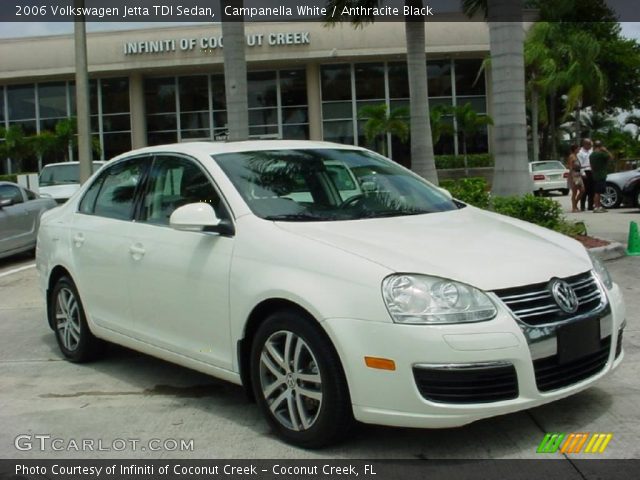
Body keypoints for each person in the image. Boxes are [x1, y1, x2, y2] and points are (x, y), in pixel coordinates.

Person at [589, 140, 612, 213]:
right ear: (600, 146)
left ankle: (599, 206)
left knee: (598, 191)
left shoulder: (591, 155)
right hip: (601, 174)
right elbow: (611, 157)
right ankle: (596, 207)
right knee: (598, 192)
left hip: (595, 174)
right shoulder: (601, 154)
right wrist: (606, 150)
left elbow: (591, 166)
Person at [566, 144, 584, 212]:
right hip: (574, 175)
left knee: (582, 190)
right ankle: (574, 207)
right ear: (575, 149)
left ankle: (575, 204)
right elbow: (570, 167)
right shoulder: (571, 156)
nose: (579, 149)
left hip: (578, 174)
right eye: (578, 148)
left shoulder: (576, 156)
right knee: (575, 192)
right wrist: (572, 177)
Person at [578, 138, 594, 211]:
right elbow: (580, 164)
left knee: (592, 190)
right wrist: (582, 173)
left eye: (590, 144)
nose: (590, 146)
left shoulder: (591, 150)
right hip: (585, 171)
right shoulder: (580, 152)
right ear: (584, 144)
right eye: (589, 144)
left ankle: (590, 205)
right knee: (585, 190)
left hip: (592, 171)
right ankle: (582, 206)